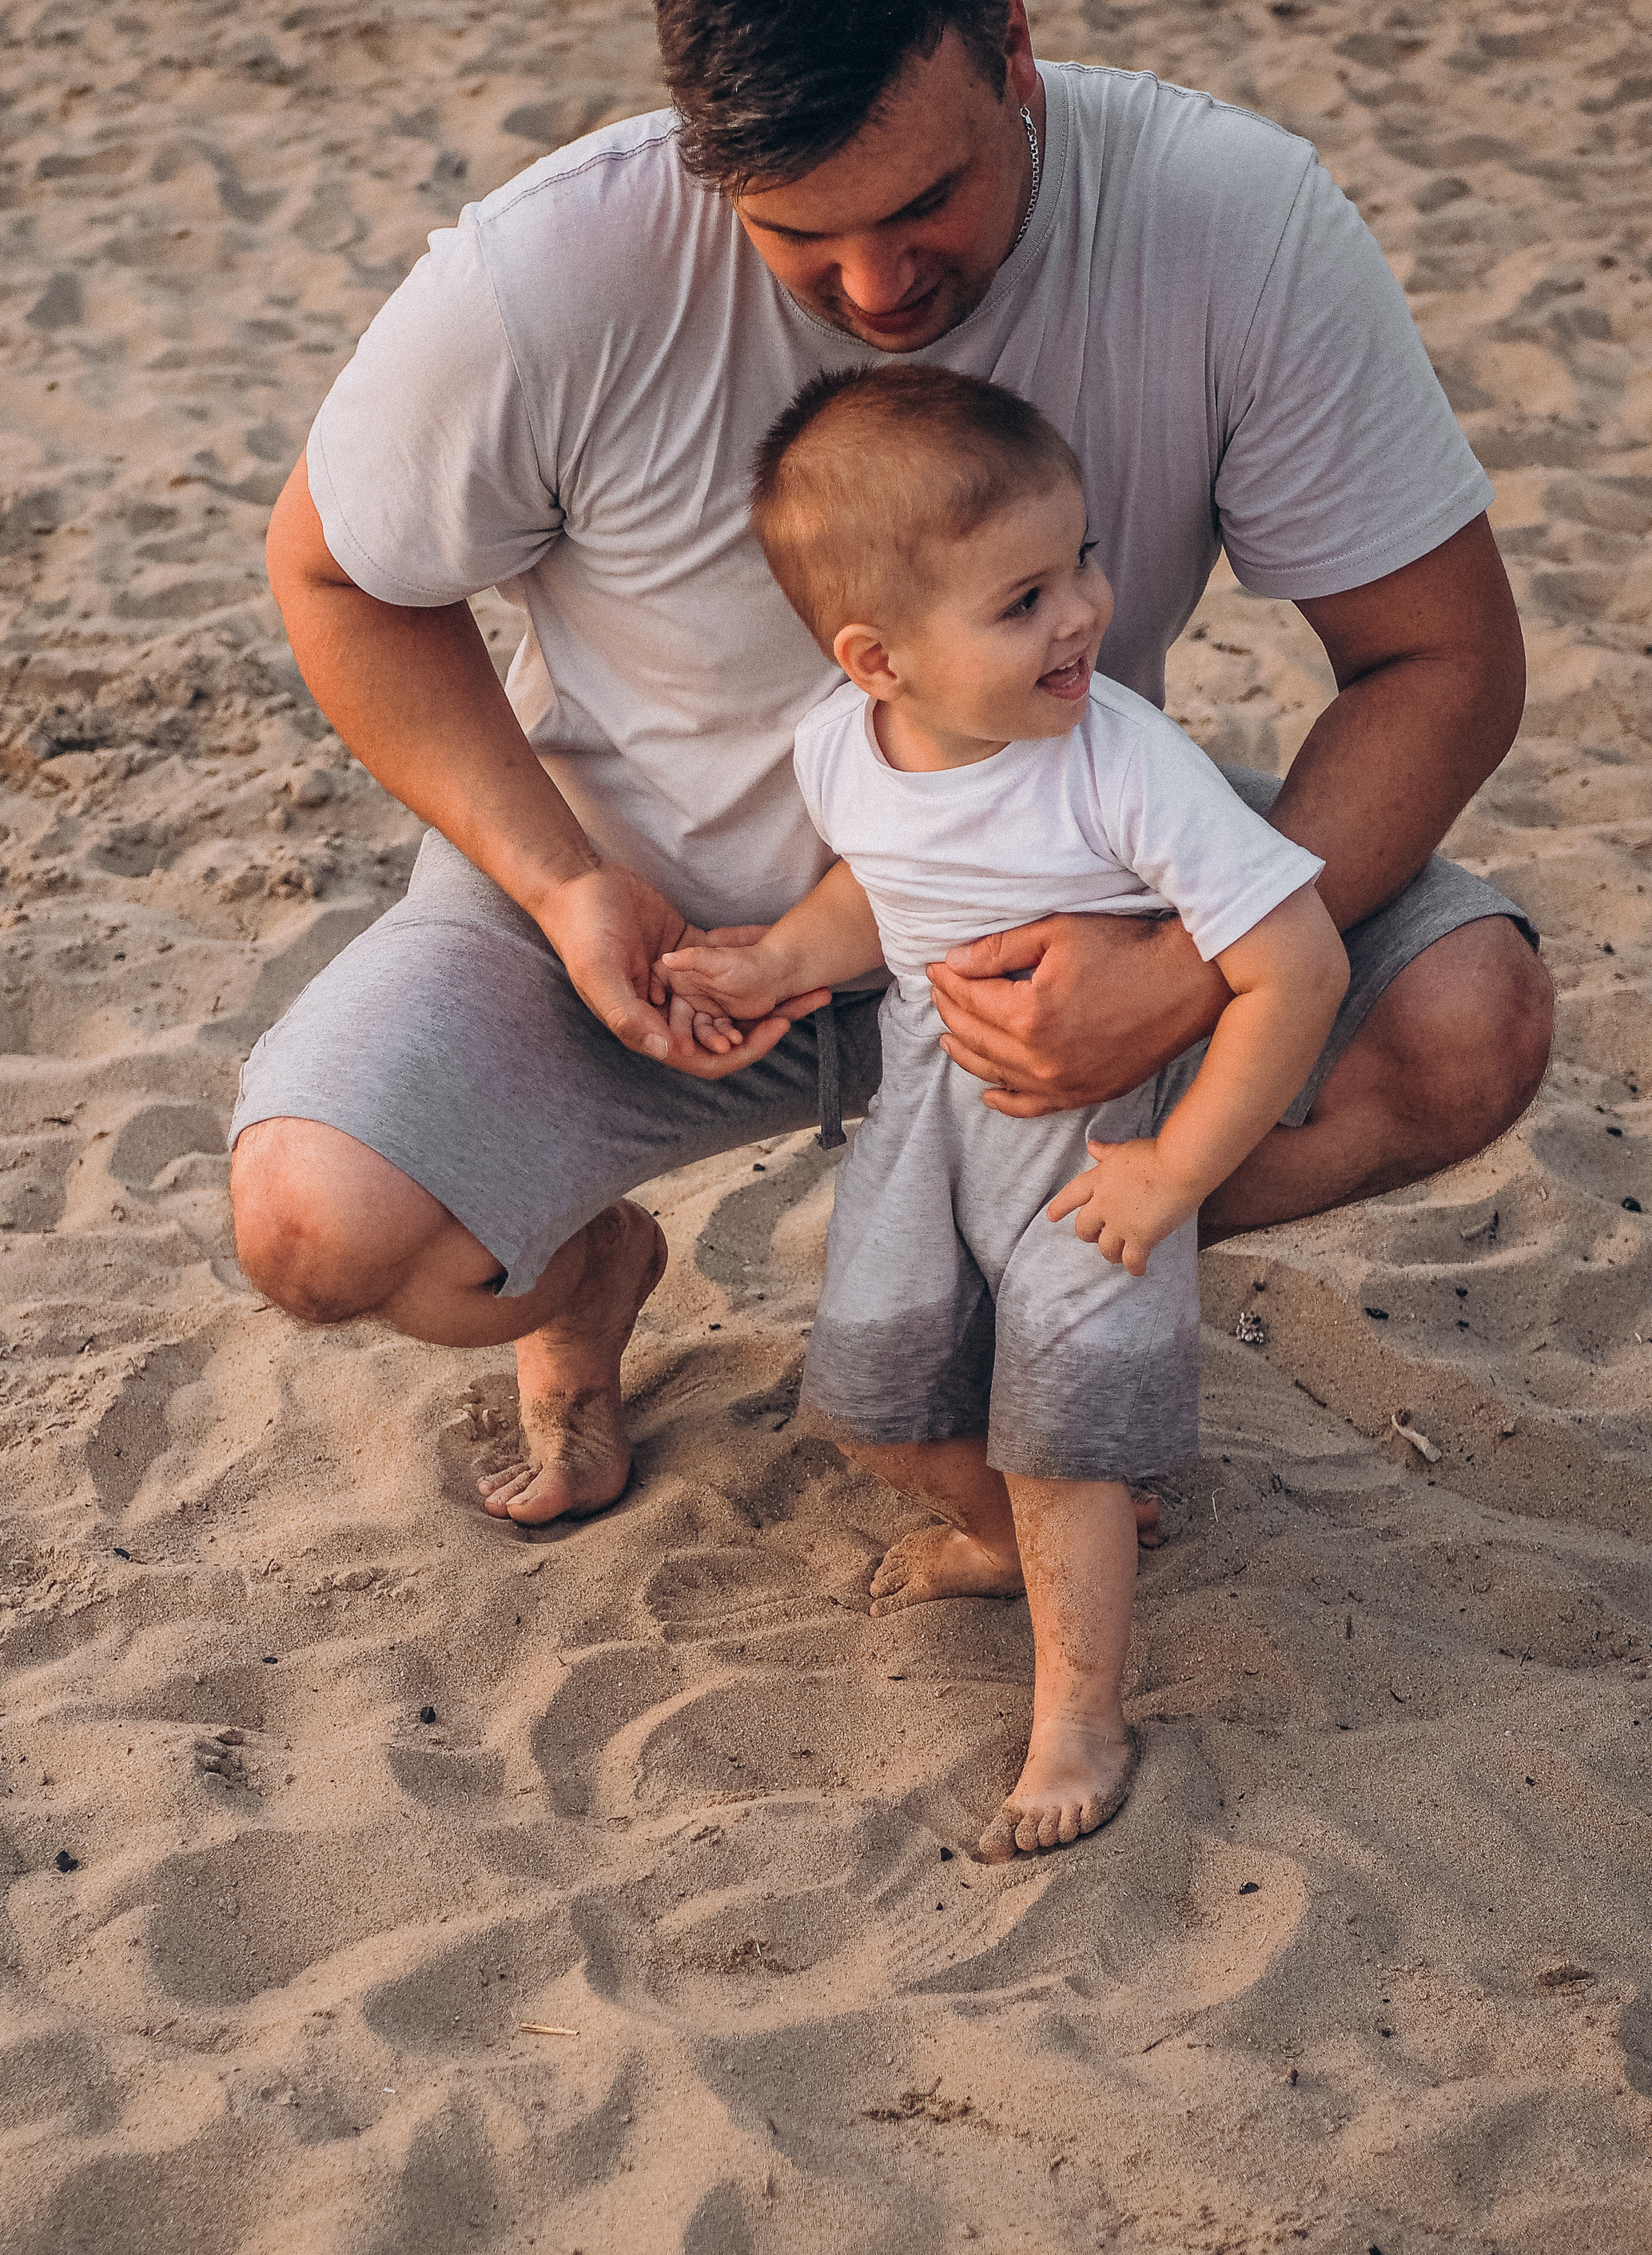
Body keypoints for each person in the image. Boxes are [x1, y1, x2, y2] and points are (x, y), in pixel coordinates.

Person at [230, 0, 1548, 1609]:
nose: (872, 291)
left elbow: (1440, 658)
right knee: (318, 1228)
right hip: (649, 935)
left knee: (1461, 1022)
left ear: (1008, 49)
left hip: (1053, 917)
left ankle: (1001, 1290)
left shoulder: (1229, 221)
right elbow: (330, 575)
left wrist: (1182, 977)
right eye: (797, 233)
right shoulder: (545, 276)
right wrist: (561, 881)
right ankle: (589, 1266)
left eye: (925, 202)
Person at [658, 364, 1346, 1854]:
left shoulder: (1125, 762)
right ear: (877, 660)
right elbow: (881, 891)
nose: (1085, 612)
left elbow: (1297, 967)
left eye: (1083, 558)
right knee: (871, 1395)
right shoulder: (841, 750)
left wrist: (1171, 1169)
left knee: (1064, 1428)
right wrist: (781, 955)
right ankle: (1000, 1539)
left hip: (1094, 1130)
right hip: (928, 1102)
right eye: (1022, 599)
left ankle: (1078, 1712)